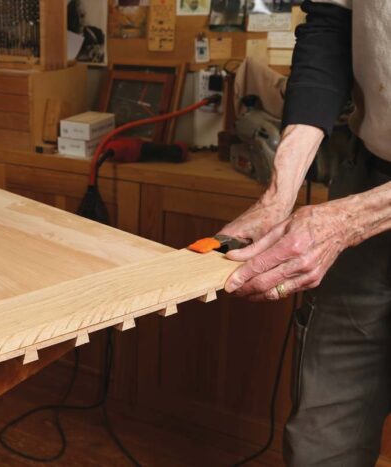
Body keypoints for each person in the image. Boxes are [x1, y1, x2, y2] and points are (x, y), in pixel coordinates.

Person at [219, 1, 391, 465]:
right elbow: (330, 31)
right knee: (324, 433)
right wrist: (280, 192)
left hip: (365, 208)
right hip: (371, 173)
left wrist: (348, 220)